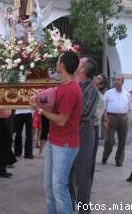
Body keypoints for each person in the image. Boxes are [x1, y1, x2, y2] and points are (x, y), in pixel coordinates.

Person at [30, 50, 82, 214]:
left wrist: (39, 110)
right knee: (49, 186)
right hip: (55, 141)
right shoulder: (62, 86)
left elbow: (61, 120)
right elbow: (53, 109)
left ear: (63, 65)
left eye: (58, 60)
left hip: (65, 144)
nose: (56, 63)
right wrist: (38, 101)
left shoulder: (71, 90)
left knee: (59, 187)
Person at [70, 57, 99, 214]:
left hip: (84, 134)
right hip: (71, 132)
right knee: (68, 174)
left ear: (82, 70)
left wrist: (64, 111)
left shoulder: (90, 89)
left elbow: (85, 113)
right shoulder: (74, 85)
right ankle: (69, 207)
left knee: (82, 175)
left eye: (79, 63)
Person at [102, 75, 132, 166]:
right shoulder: (108, 93)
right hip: (111, 118)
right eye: (115, 80)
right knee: (109, 141)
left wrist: (129, 120)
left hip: (123, 118)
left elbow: (130, 109)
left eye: (118, 80)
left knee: (122, 141)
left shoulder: (127, 94)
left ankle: (119, 160)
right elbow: (104, 108)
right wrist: (105, 120)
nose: (116, 81)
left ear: (122, 82)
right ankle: (105, 156)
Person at [91, 74, 107, 183]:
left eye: (99, 78)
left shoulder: (100, 98)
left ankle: (88, 179)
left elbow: (95, 116)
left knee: (90, 156)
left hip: (92, 128)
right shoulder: (89, 92)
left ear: (100, 84)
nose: (95, 77)